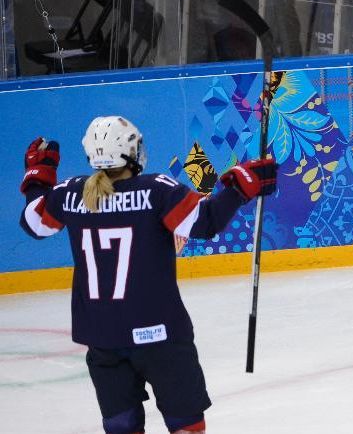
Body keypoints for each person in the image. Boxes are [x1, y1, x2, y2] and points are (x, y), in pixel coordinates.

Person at [18, 116, 277, 434]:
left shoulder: (71, 194)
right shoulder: (156, 191)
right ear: (129, 152)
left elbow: (34, 223)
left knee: (122, 427)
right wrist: (241, 186)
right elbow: (206, 222)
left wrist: (37, 180)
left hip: (103, 341)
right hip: (160, 339)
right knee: (187, 426)